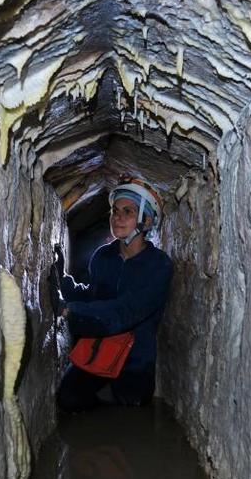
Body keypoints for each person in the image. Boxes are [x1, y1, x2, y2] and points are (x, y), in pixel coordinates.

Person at [51, 176, 174, 413]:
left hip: (134, 361)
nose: (117, 217)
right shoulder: (102, 257)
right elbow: (93, 295)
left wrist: (70, 310)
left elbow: (126, 311)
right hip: (98, 352)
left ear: (146, 220)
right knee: (68, 398)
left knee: (132, 404)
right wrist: (63, 281)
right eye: (115, 211)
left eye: (128, 211)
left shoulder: (158, 266)